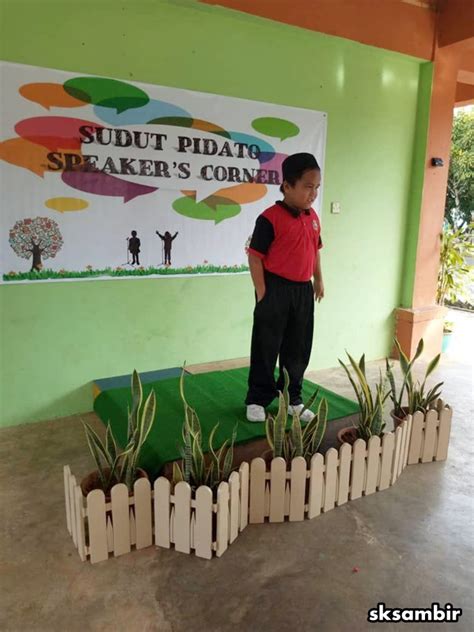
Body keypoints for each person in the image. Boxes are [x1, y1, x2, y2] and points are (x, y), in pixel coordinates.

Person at [245, 152, 324, 423]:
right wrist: (262, 291)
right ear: (287, 185)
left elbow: (316, 250)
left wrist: (319, 279)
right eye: (307, 186)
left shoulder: (313, 217)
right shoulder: (269, 218)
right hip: (275, 289)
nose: (312, 193)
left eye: (316, 187)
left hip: (303, 291)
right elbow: (255, 256)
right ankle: (257, 399)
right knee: (266, 346)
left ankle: (292, 399)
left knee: (298, 348)